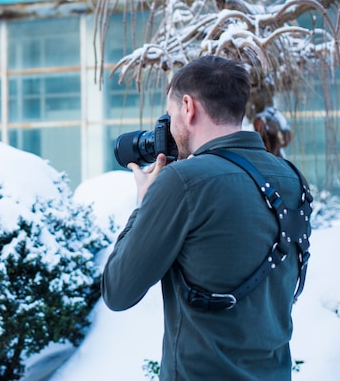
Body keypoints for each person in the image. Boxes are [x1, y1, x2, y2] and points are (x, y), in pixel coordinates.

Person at [101, 56, 312, 380]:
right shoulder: (292, 178)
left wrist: (144, 203)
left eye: (170, 115)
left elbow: (117, 291)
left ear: (188, 107)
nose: (169, 128)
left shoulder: (184, 181)